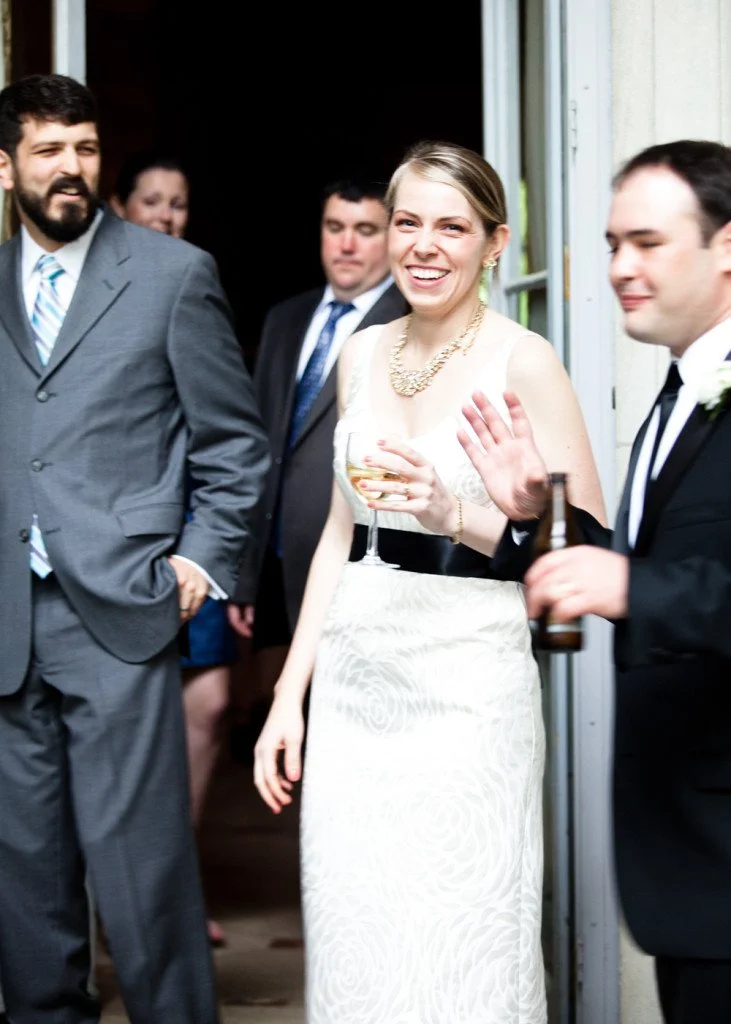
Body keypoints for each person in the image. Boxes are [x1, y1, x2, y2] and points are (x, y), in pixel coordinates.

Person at [252, 141, 606, 1023]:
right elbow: (340, 533)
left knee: (460, 932)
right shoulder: (361, 355)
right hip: (355, 684)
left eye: (450, 227)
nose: (422, 245)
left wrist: (465, 517)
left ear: (494, 243)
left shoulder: (523, 361)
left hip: (466, 683)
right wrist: (289, 696)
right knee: (355, 925)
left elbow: (584, 543)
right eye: (407, 222)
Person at [0, 73, 269, 1023]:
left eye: (83, 148)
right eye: (48, 151)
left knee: (142, 881)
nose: (71, 169)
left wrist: (200, 561)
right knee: (25, 887)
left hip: (119, 614)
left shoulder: (172, 275)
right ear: (6, 167)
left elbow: (235, 446)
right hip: (5, 625)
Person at [459, 139, 731, 1024]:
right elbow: (639, 568)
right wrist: (531, 518)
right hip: (690, 860)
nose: (617, 267)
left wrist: (628, 589)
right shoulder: (682, 386)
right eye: (613, 242)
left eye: (646, 243)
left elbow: (643, 586)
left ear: (725, 246)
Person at [111, 149, 239, 947]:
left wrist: (213, 545)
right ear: (121, 206)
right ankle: (123, 899)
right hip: (117, 540)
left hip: (195, 524)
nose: (165, 214)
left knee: (210, 702)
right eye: (152, 200)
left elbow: (228, 424)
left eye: (179, 202)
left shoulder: (192, 278)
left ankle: (175, 888)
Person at [227, 179, 409, 707]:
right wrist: (247, 573)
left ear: (390, 239)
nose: (346, 244)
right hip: (277, 562)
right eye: (335, 228)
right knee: (289, 723)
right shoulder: (285, 318)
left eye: (365, 230)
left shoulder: (408, 323)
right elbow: (261, 447)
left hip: (363, 570)